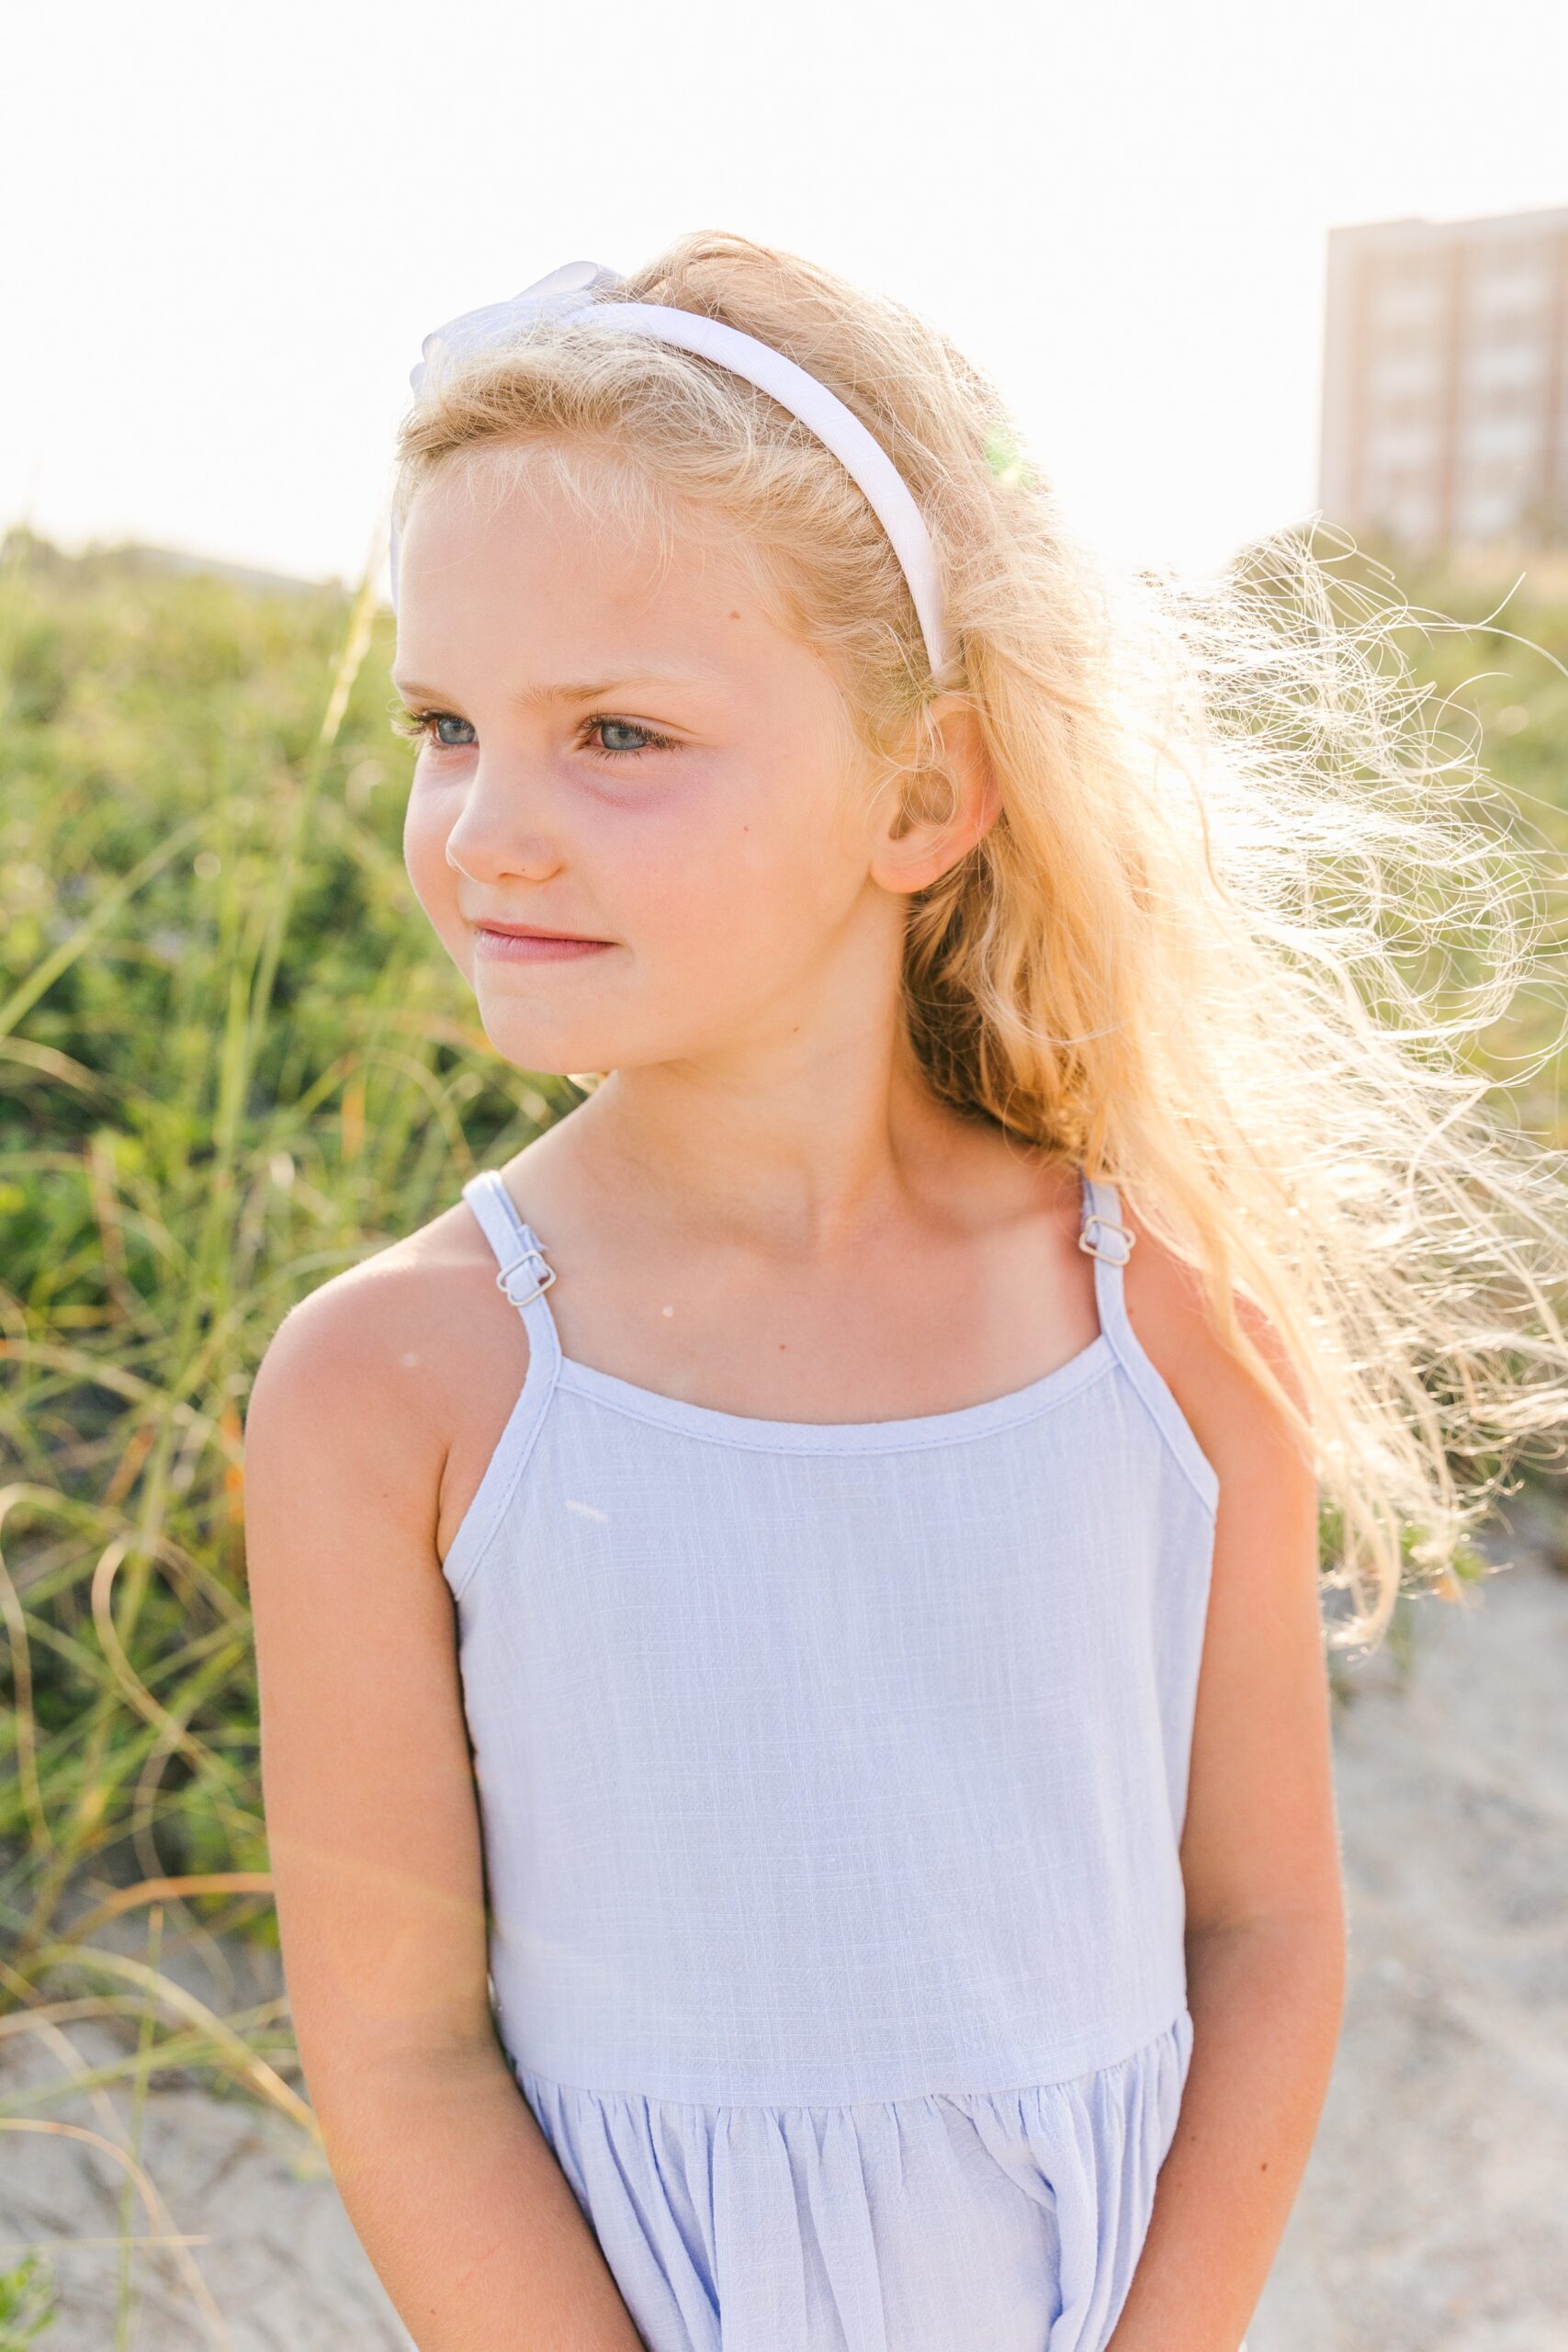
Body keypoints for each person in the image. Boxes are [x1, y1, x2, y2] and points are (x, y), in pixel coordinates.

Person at [243, 232, 1568, 2352]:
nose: (488, 825)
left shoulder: (1160, 1330)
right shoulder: (395, 1382)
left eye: (614, 730)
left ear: (924, 792)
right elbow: (402, 2053)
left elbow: (1261, 1924)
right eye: (442, 724)